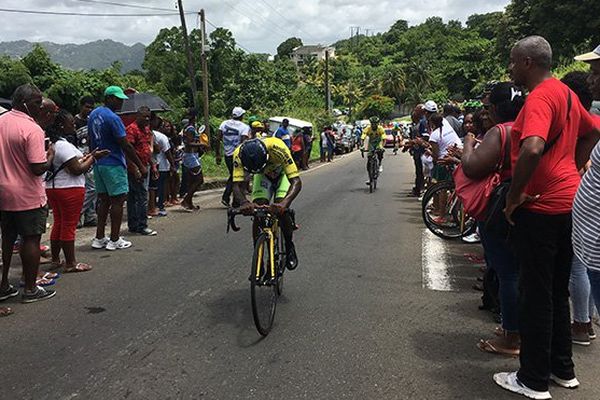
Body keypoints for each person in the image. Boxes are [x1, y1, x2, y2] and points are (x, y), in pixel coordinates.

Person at [494, 36, 600, 399]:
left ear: (526, 62)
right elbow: (593, 131)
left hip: (539, 208)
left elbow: (534, 146)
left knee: (534, 294)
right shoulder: (567, 94)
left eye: (511, 61)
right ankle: (562, 368)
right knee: (556, 291)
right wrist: (571, 166)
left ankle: (533, 379)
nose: (509, 68)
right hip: (568, 203)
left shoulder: (539, 97)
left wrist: (514, 194)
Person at [459, 82, 525, 356]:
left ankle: (512, 336)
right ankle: (517, 327)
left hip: (500, 205)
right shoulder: (527, 127)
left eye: (487, 108)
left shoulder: (501, 132)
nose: (484, 113)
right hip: (525, 203)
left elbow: (472, 167)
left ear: (497, 108)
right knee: (518, 271)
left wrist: (468, 145)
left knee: (507, 273)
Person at [0, 84, 56, 304]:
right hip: (27, 195)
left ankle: (4, 284)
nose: (39, 106)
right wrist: (49, 155)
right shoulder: (31, 128)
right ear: (23, 103)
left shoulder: (2, 121)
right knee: (31, 239)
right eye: (36, 102)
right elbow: (37, 167)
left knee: (7, 240)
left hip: (3, 192)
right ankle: (31, 289)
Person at [46, 110, 109, 273]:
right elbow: (76, 169)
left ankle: (55, 259)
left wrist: (89, 156)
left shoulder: (54, 143)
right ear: (61, 125)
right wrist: (93, 159)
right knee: (68, 225)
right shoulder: (64, 145)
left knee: (59, 223)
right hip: (69, 189)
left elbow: (70, 164)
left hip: (54, 188)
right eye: (70, 122)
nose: (73, 124)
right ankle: (70, 263)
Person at [88, 86, 146, 251]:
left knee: (104, 200)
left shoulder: (94, 114)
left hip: (99, 163)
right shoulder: (113, 118)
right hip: (113, 163)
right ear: (109, 98)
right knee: (118, 200)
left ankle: (99, 237)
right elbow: (125, 144)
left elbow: (90, 138)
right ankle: (114, 239)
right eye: (118, 99)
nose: (121, 102)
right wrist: (139, 165)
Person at [232, 137, 302, 271]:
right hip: (262, 177)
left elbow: (296, 182)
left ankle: (289, 246)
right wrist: (245, 202)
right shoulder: (238, 154)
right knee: (258, 210)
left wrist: (284, 204)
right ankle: (258, 258)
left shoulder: (278, 148)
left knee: (280, 208)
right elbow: (236, 185)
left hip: (282, 175)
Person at [571, 45, 600, 348]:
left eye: (596, 71)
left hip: (595, 242)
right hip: (591, 242)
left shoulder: (591, 122)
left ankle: (581, 323)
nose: (592, 79)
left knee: (576, 270)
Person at [125, 106, 156, 236]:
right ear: (138, 116)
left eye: (149, 116)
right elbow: (128, 151)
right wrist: (135, 168)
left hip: (145, 165)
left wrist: (152, 165)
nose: (147, 119)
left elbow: (147, 149)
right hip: (136, 167)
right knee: (140, 196)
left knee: (136, 196)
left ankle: (135, 225)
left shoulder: (147, 130)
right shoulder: (131, 129)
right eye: (144, 116)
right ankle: (141, 225)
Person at [216, 107, 250, 207]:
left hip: (227, 155)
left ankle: (233, 199)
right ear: (241, 116)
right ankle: (228, 198)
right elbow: (243, 142)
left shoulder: (224, 124)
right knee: (236, 177)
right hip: (237, 155)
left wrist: (218, 154)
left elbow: (218, 139)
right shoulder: (244, 127)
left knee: (234, 175)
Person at [74, 96, 97, 228]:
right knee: (91, 187)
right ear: (81, 106)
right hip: (78, 158)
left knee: (91, 187)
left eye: (91, 107)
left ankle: (90, 216)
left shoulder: (91, 121)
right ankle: (78, 214)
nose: (89, 109)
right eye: (87, 106)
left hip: (91, 156)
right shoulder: (74, 121)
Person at [181, 111, 208, 211]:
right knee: (199, 179)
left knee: (192, 180)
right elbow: (189, 143)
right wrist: (202, 144)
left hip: (193, 155)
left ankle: (189, 203)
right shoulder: (191, 129)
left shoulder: (188, 127)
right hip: (190, 156)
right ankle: (186, 200)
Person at [154, 122, 176, 215]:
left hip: (154, 164)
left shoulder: (151, 134)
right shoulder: (162, 137)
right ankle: (160, 206)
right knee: (162, 187)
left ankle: (153, 205)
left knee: (153, 187)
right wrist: (172, 165)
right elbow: (167, 153)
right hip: (162, 166)